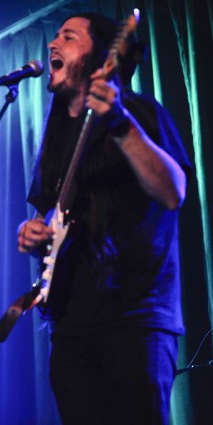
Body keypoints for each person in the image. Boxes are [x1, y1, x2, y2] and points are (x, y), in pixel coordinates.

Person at [16, 12, 191, 425]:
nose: (53, 45)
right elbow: (48, 215)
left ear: (100, 59)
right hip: (71, 326)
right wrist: (30, 233)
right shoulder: (56, 133)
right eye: (54, 36)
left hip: (135, 322)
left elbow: (173, 192)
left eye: (69, 37)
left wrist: (120, 124)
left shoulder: (139, 113)